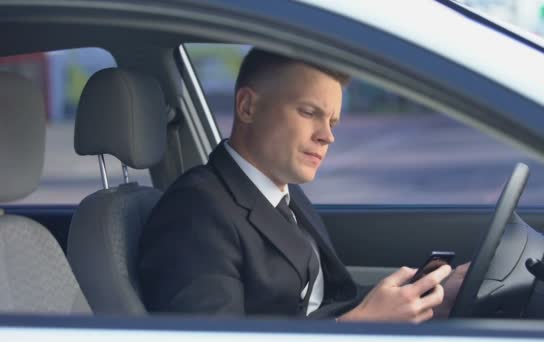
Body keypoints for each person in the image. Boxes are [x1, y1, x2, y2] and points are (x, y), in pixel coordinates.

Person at [137, 48, 468, 322]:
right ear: (247, 107)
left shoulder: (284, 193)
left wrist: (423, 297)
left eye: (332, 121)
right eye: (310, 112)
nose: (328, 135)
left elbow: (321, 305)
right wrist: (361, 326)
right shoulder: (195, 214)